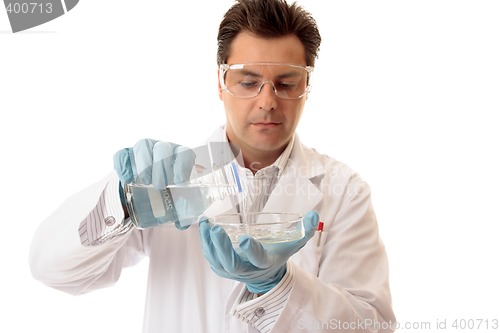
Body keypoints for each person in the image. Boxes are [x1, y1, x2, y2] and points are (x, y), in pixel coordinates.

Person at [29, 0, 396, 332]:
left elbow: (373, 325)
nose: (268, 101)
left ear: (307, 85)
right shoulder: (166, 176)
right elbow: (52, 270)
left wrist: (280, 286)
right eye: (248, 81)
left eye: (286, 83)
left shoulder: (343, 190)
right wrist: (120, 201)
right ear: (221, 83)